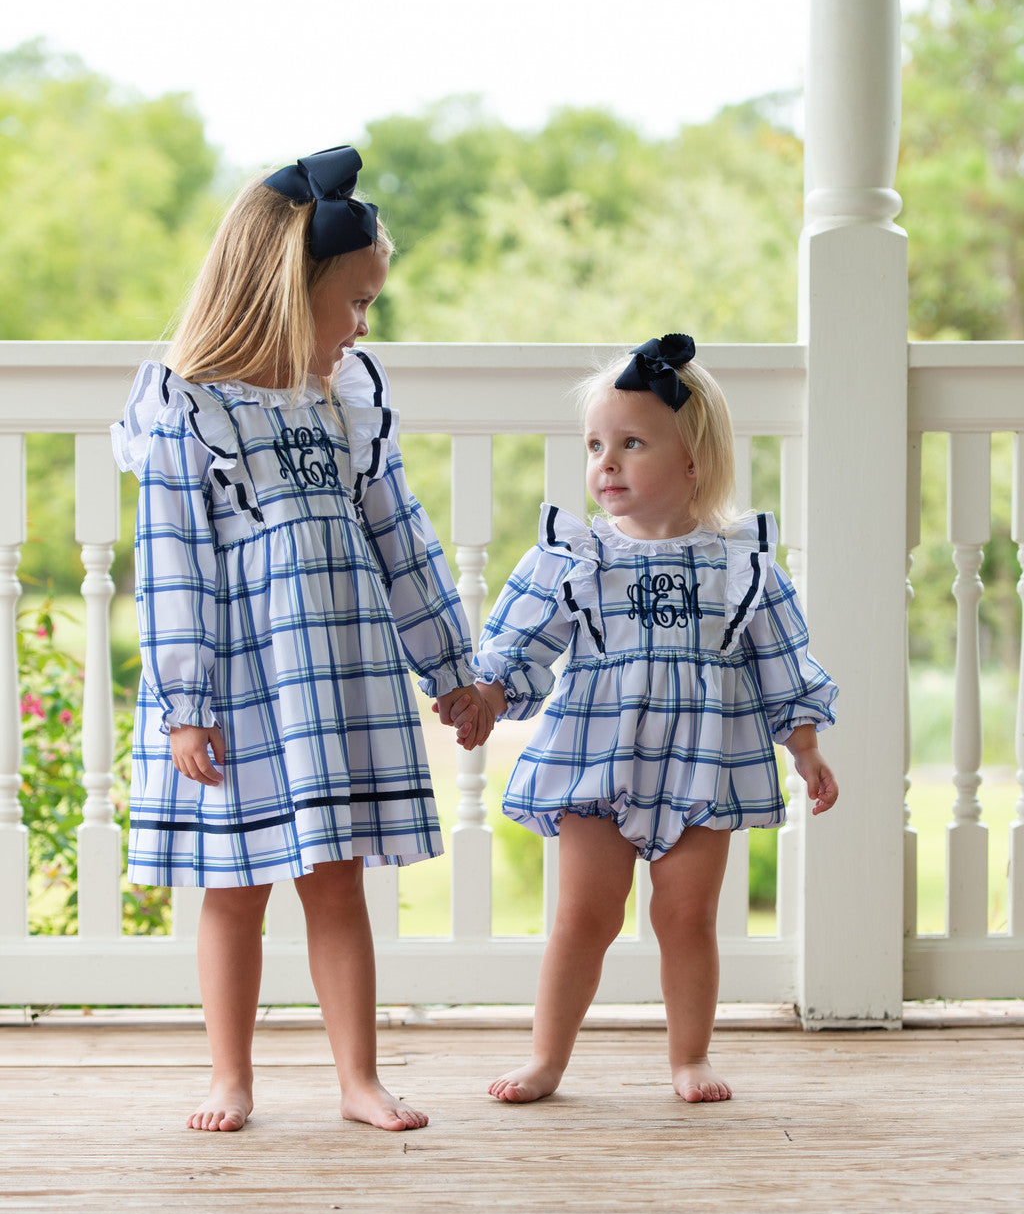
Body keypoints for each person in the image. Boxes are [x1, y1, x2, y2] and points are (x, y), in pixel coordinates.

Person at [112, 145, 492, 1133]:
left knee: (337, 884)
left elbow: (403, 541)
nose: (364, 325)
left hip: (337, 682)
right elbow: (172, 563)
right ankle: (228, 1075)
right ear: (291, 288)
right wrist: (184, 706)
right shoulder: (190, 408)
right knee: (233, 889)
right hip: (242, 684)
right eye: (356, 302)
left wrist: (452, 670)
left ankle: (358, 1079)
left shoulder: (346, 403)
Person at [473, 333, 838, 1105]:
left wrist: (804, 747)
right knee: (583, 918)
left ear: (694, 462)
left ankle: (690, 1057)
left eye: (632, 444)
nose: (605, 463)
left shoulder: (741, 566)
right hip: (597, 759)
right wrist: (489, 696)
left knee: (686, 918)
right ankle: (546, 1059)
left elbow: (782, 660)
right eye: (596, 445)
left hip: (705, 763)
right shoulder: (577, 558)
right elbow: (522, 646)